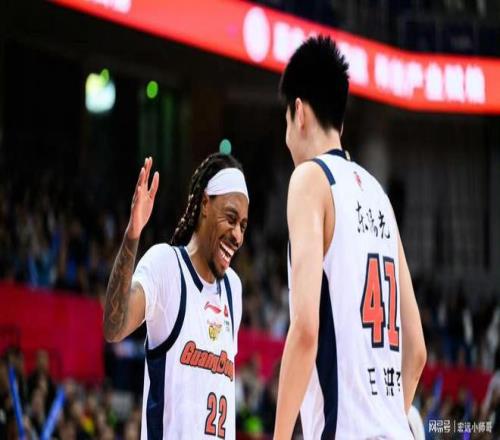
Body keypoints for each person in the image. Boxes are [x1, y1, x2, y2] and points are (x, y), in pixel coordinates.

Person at [273, 36, 427, 439]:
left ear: (299, 113)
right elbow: (416, 351)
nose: (287, 137)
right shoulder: (379, 195)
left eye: (286, 122)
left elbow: (305, 330)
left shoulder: (310, 180)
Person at [103, 153, 249, 439]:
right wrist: (133, 234)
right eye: (231, 219)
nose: (237, 235)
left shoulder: (233, 288)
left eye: (242, 225)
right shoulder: (167, 265)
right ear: (204, 204)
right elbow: (114, 327)